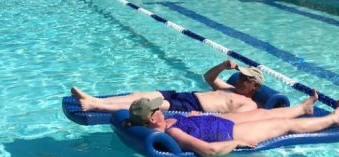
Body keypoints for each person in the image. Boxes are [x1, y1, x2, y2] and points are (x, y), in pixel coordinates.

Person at [124, 94, 339, 156]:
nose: (161, 109)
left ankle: (303, 109)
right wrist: (236, 142)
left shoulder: (165, 124)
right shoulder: (173, 132)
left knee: (262, 112)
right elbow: (209, 151)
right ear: (152, 119)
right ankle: (334, 119)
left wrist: (192, 116)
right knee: (284, 124)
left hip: (218, 122)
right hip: (228, 132)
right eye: (156, 109)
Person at [72, 60, 267, 115]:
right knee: (137, 94)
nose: (240, 79)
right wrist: (223, 67)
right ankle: (95, 99)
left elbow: (233, 121)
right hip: (185, 96)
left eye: (245, 79)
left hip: (191, 109)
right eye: (241, 75)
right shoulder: (229, 89)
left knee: (145, 104)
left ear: (255, 86)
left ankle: (95, 106)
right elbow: (208, 77)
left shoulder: (250, 106)